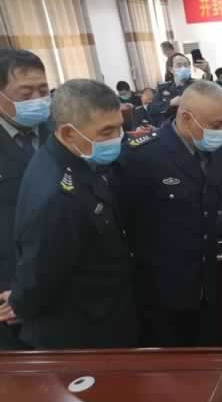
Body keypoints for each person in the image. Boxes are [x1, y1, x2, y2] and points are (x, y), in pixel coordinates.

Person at [0, 79, 138, 349]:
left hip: (108, 308)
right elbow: (42, 265)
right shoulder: (57, 194)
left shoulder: (70, 156)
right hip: (84, 329)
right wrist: (22, 302)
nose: (117, 138)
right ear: (68, 133)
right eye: (106, 131)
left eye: (119, 127)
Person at [114, 80, 222, 347]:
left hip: (207, 282)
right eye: (215, 125)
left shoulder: (220, 152)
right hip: (162, 291)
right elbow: (123, 223)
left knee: (211, 353)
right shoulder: (142, 156)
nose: (221, 132)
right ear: (187, 118)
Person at [0, 49, 52, 349]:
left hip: (63, 283)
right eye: (26, 93)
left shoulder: (61, 130)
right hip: (8, 292)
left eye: (43, 90)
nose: (37, 99)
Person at [150, 53, 195, 125]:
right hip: (169, 126)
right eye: (179, 65)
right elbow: (152, 109)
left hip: (191, 125)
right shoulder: (163, 87)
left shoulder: (197, 85)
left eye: (186, 65)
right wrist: (170, 103)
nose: (183, 68)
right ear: (171, 69)